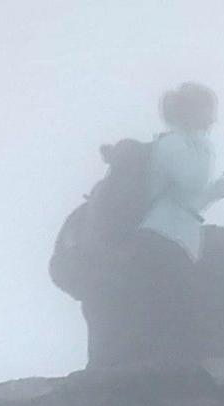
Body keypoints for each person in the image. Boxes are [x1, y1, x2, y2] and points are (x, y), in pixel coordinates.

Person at [130, 82, 224, 361]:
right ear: (191, 110)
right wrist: (205, 145)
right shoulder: (173, 143)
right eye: (208, 110)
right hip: (161, 237)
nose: (213, 119)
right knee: (170, 309)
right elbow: (193, 180)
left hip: (178, 238)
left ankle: (173, 369)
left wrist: (216, 193)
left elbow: (190, 201)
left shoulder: (185, 144)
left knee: (178, 310)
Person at [51, 137, 157, 369]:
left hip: (97, 280)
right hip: (106, 282)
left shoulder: (106, 195)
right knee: (112, 341)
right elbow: (104, 240)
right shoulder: (120, 194)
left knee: (108, 343)